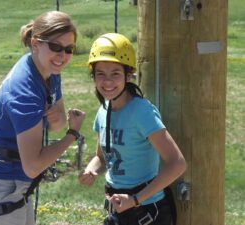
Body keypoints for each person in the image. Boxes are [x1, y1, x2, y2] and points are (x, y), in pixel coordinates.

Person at [0, 11, 85, 225]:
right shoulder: (24, 92)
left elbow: (57, 124)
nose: (62, 55)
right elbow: (33, 165)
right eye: (56, 47)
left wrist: (59, 120)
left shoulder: (50, 71)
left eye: (69, 49)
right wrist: (72, 134)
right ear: (35, 43)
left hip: (12, 182)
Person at [79, 33, 187, 225]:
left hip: (147, 213)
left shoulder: (142, 112)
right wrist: (92, 170)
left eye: (115, 73)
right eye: (100, 74)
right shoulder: (104, 111)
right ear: (93, 76)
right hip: (119, 210)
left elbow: (177, 163)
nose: (108, 81)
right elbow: (102, 157)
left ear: (128, 75)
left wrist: (135, 199)